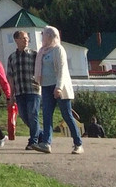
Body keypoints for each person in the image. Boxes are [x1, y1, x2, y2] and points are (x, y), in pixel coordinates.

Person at [32, 25, 84, 155]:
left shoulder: (58, 49)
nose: (42, 37)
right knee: (47, 116)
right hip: (46, 86)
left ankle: (78, 144)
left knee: (67, 115)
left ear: (50, 36)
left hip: (59, 87)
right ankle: (46, 143)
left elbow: (62, 70)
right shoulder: (42, 51)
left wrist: (59, 87)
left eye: (44, 34)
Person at [7, 30, 42, 150]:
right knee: (24, 116)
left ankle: (33, 141)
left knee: (33, 114)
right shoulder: (12, 57)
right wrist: (11, 95)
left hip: (33, 89)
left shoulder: (34, 54)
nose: (26, 40)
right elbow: (10, 77)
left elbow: (40, 71)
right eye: (23, 38)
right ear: (16, 40)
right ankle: (42, 135)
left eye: (27, 38)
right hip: (20, 91)